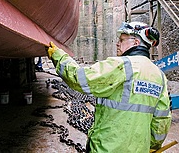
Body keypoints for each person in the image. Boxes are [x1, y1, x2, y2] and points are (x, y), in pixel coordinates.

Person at [46, 21, 172, 152]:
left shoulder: (121, 65)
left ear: (136, 43)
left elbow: (79, 78)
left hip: (107, 148)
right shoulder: (159, 76)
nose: (117, 43)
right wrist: (152, 145)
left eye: (122, 40)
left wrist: (58, 56)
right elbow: (162, 119)